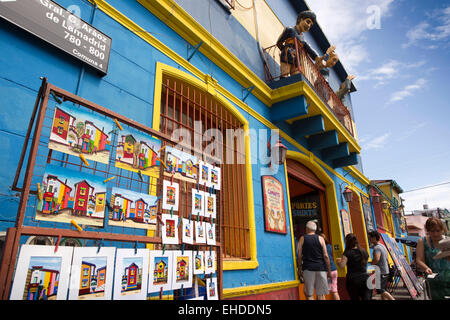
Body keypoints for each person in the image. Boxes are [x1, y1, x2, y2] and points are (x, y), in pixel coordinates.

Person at [276, 11, 333, 78]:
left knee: (296, 78)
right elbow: (279, 42)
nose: (308, 26)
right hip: (287, 54)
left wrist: (317, 57)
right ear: (300, 19)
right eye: (308, 22)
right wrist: (284, 50)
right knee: (284, 75)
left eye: (310, 25)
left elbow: (309, 49)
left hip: (297, 59)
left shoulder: (302, 38)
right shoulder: (290, 30)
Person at [416, 217, 450, 300]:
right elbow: (419, 259)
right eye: (432, 231)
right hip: (434, 281)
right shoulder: (422, 241)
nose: (435, 234)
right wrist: (426, 268)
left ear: (442, 230)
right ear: (428, 231)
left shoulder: (447, 241)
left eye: (438, 230)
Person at [297, 220, 331, 300]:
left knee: (309, 294)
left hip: (308, 269)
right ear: (315, 229)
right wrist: (328, 270)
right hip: (321, 268)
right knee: (320, 294)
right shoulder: (321, 239)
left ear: (307, 229)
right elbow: (326, 256)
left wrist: (299, 268)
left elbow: (299, 255)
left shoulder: (303, 238)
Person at [336, 233, 372, 300]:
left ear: (347, 242)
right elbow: (365, 262)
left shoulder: (347, 253)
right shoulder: (363, 251)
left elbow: (342, 265)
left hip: (353, 280)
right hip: (365, 279)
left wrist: (338, 262)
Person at [368, 230, 395, 300]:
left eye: (370, 238)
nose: (369, 239)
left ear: (374, 238)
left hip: (381, 272)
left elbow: (377, 259)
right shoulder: (382, 246)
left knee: (380, 290)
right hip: (385, 271)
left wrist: (371, 264)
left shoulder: (377, 248)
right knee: (383, 290)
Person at [319, 233, 340, 300]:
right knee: (334, 291)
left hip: (325, 271)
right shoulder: (329, 246)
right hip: (334, 270)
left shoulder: (320, 248)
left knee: (321, 292)